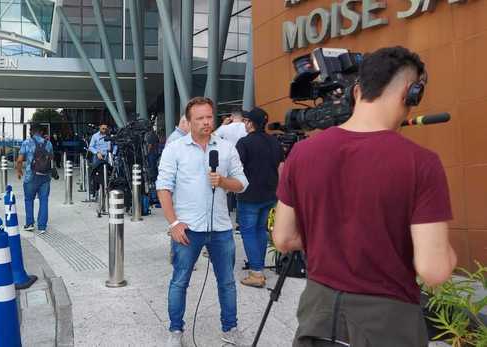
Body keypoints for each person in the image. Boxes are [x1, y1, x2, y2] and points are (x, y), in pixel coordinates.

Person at [273, 46, 457, 346]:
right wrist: (446, 253)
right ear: (412, 94)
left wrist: (333, 239)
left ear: (356, 91)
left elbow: (283, 238)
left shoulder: (303, 153)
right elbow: (434, 270)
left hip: (318, 314)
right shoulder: (421, 163)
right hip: (386, 322)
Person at [156, 97, 249, 346]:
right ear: (188, 120)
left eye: (209, 116)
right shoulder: (174, 148)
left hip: (220, 228)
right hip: (188, 228)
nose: (206, 122)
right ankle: (176, 330)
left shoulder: (227, 147)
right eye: (200, 118)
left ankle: (230, 328)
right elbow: (163, 187)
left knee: (227, 282)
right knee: (180, 281)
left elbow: (242, 183)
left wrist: (223, 181)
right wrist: (173, 224)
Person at [234, 107, 284, 288]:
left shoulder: (244, 143)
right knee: (261, 231)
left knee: (248, 231)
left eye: (246, 121)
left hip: (249, 195)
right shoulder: (274, 142)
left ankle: (256, 273)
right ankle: (258, 267)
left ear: (250, 123)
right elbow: (281, 168)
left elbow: (236, 168)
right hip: (270, 194)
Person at [15, 124, 53, 234]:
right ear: (41, 132)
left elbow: (19, 160)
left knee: (28, 199)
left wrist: (19, 171)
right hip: (45, 176)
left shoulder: (27, 142)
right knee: (44, 200)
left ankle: (30, 224)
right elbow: (51, 159)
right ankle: (42, 226)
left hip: (30, 176)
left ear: (31, 132)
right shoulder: (48, 143)